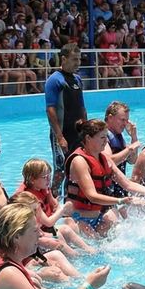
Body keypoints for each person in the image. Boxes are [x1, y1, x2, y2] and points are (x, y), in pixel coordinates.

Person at [65, 118, 145, 235]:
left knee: (120, 233)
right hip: (78, 218)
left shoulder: (105, 159)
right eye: (102, 138)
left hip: (98, 216)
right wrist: (121, 201)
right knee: (93, 252)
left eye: (106, 137)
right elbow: (92, 196)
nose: (106, 141)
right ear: (88, 138)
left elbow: (128, 184)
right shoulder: (79, 161)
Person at [14, 158, 94, 256]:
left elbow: (54, 203)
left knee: (68, 224)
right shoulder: (30, 200)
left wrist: (57, 208)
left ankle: (89, 249)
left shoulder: (44, 187)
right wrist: (62, 209)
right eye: (44, 177)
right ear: (32, 180)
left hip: (45, 226)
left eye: (49, 175)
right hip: (38, 231)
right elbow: (48, 222)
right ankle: (74, 256)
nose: (49, 179)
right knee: (59, 234)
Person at [45, 44, 86, 195]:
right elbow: (50, 110)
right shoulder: (54, 80)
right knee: (60, 171)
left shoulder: (77, 80)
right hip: (62, 135)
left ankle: (71, 200)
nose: (78, 62)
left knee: (76, 168)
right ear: (63, 59)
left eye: (79, 59)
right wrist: (59, 137)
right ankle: (53, 200)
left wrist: (86, 130)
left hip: (77, 134)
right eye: (74, 59)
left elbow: (82, 107)